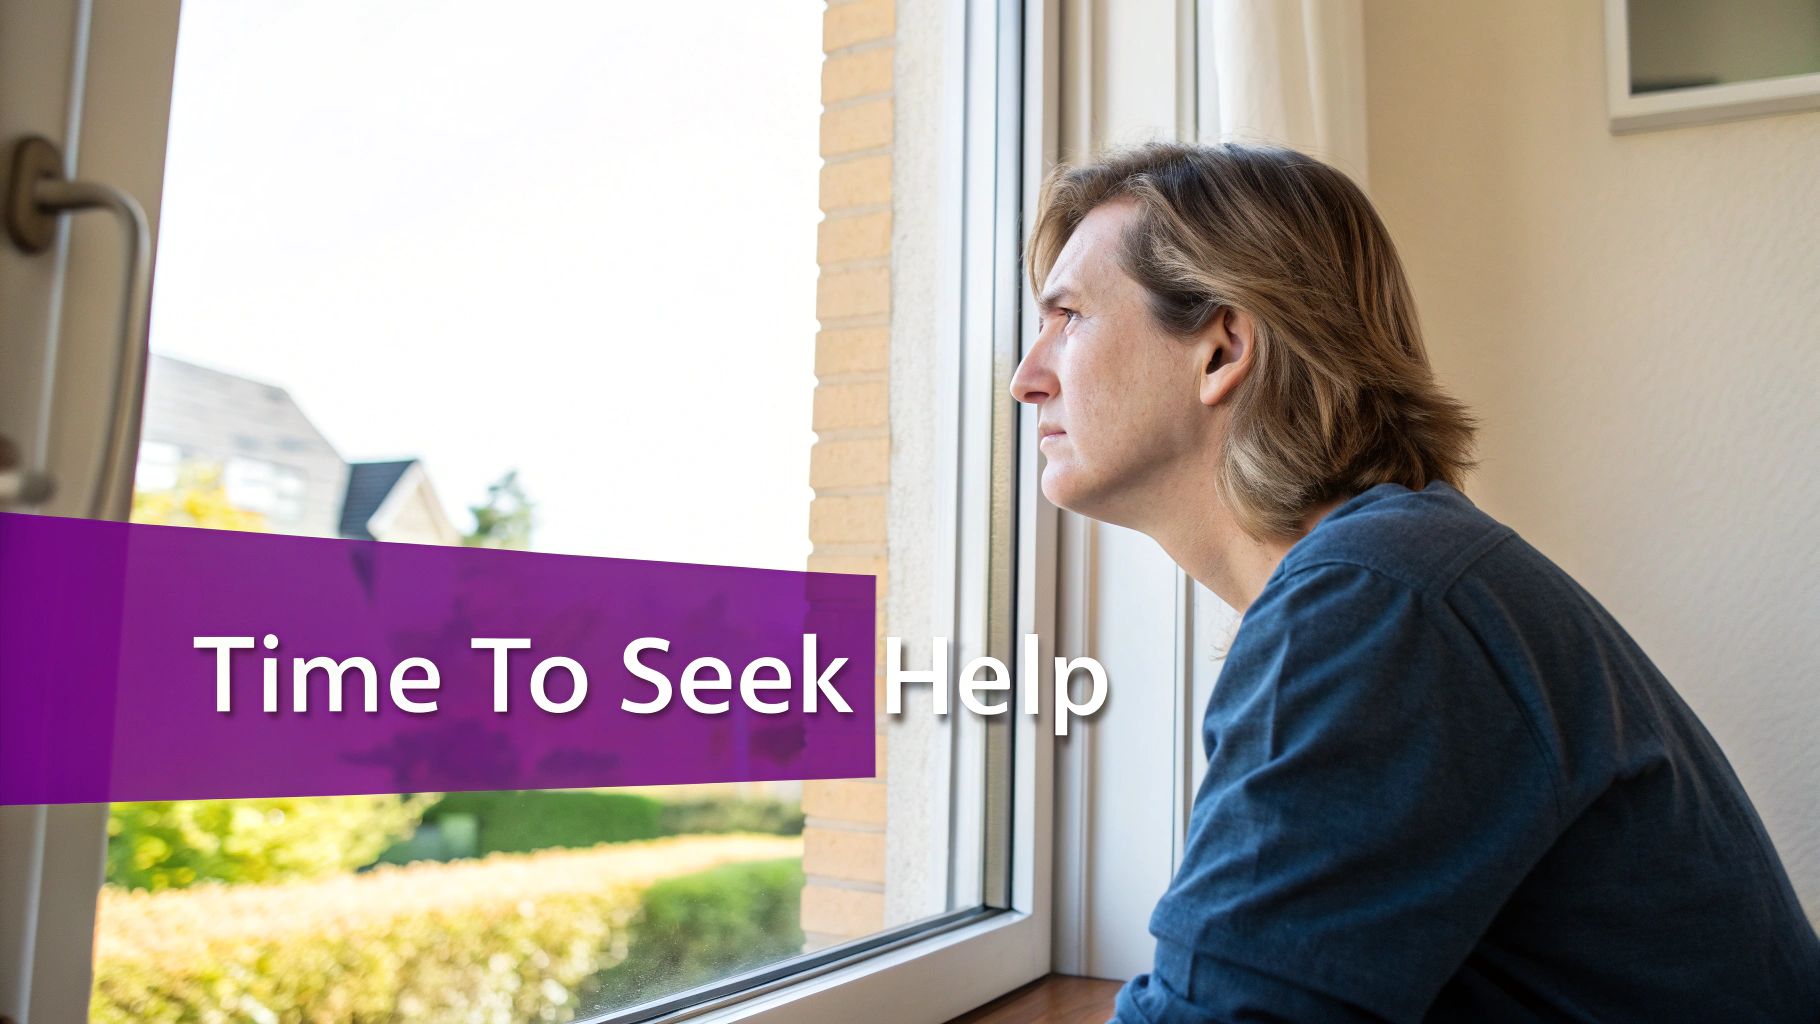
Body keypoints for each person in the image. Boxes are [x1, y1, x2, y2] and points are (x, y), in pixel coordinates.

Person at [1008, 140, 1820, 1023]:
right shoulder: (1404, 575)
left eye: (1069, 317)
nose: (1026, 378)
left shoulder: (1375, 600)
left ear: (1221, 349)